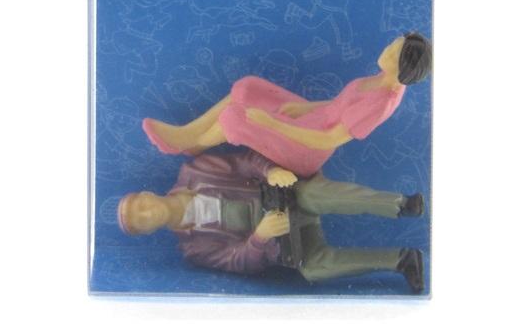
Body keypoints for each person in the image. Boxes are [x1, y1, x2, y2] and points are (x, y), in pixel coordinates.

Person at [118, 150, 425, 292]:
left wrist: (270, 171)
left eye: (141, 206)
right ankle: (402, 260)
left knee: (317, 194)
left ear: (148, 194)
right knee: (314, 268)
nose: (147, 213)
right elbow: (237, 261)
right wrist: (260, 238)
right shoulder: (193, 249)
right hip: (282, 239)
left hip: (288, 197)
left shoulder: (196, 171)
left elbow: (243, 162)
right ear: (147, 232)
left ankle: (401, 204)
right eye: (141, 221)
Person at [143, 33, 431, 177]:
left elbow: (328, 139)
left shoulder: (381, 103)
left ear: (403, 70)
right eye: (392, 44)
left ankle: (191, 143)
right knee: (247, 88)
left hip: (307, 149)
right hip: (312, 119)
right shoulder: (380, 79)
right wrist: (306, 109)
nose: (386, 51)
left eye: (393, 54)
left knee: (235, 118)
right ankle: (188, 135)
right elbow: (339, 105)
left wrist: (273, 123)